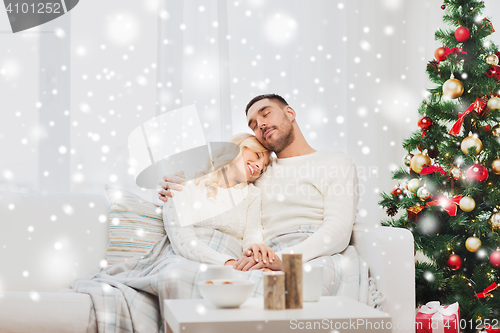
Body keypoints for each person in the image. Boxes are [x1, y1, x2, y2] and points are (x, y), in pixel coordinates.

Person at [159, 93, 360, 272]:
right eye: (253, 124)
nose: (260, 124)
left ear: (290, 113)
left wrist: (281, 260)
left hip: (311, 253)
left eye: (266, 114)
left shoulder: (335, 162)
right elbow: (220, 177)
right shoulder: (258, 173)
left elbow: (338, 230)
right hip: (263, 257)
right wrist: (177, 182)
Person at [163, 132, 276, 269]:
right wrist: (227, 263)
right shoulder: (184, 183)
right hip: (191, 260)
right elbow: (182, 241)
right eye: (257, 156)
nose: (259, 167)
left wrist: (252, 260)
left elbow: (252, 237)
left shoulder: (252, 195)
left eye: (263, 168)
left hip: (236, 263)